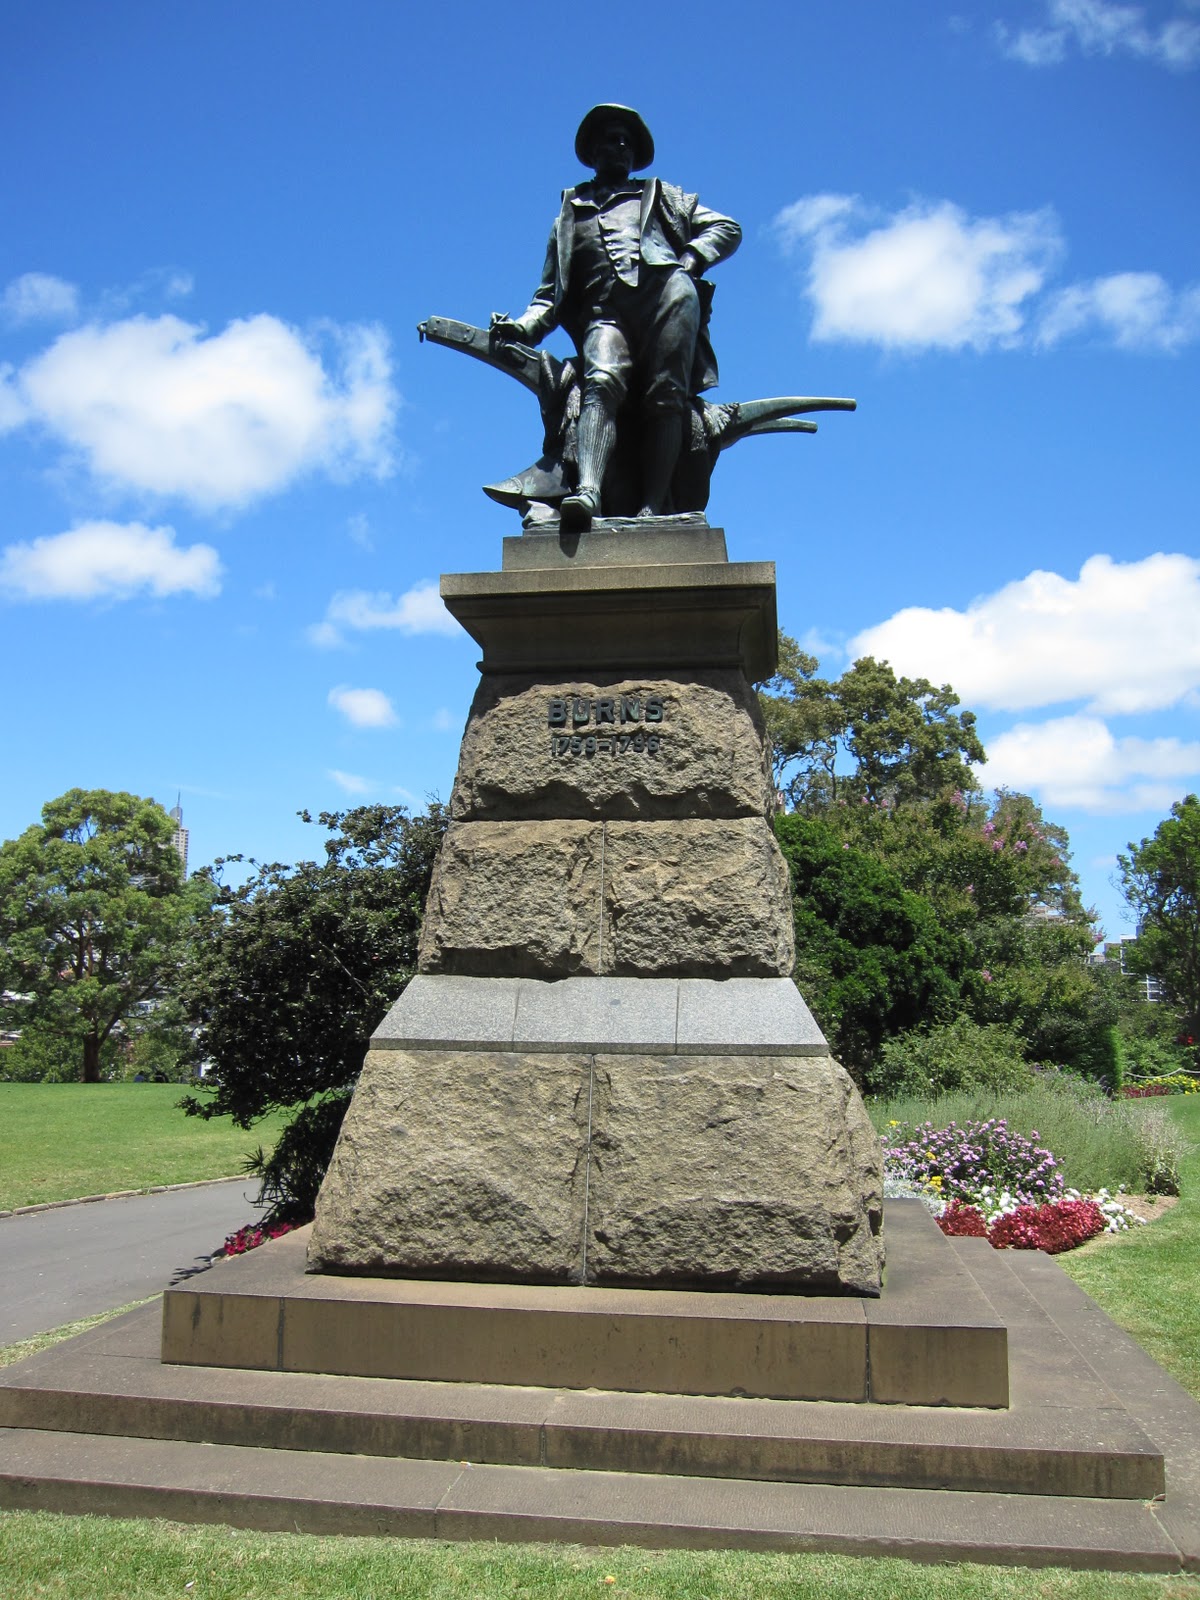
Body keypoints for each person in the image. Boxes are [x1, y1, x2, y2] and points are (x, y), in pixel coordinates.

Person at [490, 104, 741, 528]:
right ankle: (588, 491)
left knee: (667, 394)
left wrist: (690, 260)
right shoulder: (568, 215)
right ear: (592, 151)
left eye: (628, 142)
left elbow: (726, 228)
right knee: (600, 381)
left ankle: (654, 507)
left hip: (666, 296)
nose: (622, 147)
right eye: (612, 139)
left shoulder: (663, 196)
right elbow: (549, 296)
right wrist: (521, 328)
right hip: (604, 314)